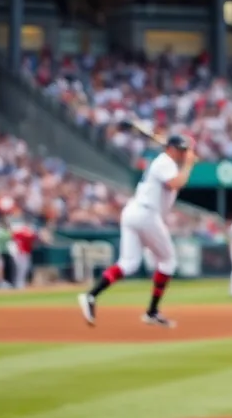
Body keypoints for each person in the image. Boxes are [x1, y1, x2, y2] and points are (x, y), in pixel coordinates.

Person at [77, 134, 196, 328]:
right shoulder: (165, 162)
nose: (183, 154)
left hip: (135, 212)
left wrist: (186, 163)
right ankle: (152, 312)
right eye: (181, 150)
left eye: (185, 151)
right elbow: (177, 183)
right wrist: (189, 164)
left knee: (129, 263)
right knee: (168, 261)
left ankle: (91, 295)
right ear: (171, 149)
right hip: (146, 214)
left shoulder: (165, 163)